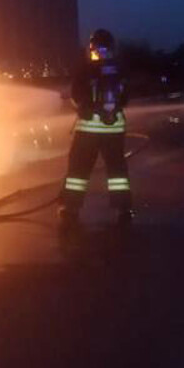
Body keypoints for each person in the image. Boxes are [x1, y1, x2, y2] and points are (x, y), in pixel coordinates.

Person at [59, 29, 131, 229]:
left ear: (93, 48)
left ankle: (71, 210)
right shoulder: (119, 70)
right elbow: (125, 98)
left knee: (78, 172)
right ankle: (124, 210)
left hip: (88, 131)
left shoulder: (86, 69)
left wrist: (84, 107)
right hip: (114, 130)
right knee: (118, 172)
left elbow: (76, 96)